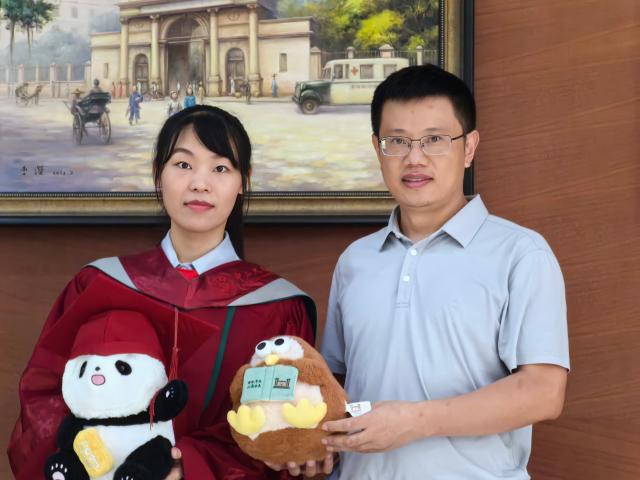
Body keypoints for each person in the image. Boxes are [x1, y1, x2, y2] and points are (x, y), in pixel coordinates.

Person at [7, 105, 318, 480]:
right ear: (158, 174)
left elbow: (277, 430)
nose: (200, 183)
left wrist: (186, 466)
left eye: (221, 168)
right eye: (183, 165)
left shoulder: (277, 307)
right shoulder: (100, 285)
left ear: (243, 182)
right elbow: (44, 397)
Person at [316, 65, 570, 479]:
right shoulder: (355, 260)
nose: (414, 158)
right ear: (378, 148)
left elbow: (543, 392)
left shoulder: (521, 253)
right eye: (397, 141)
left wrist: (417, 421)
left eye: (434, 140)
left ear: (469, 148)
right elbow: (333, 385)